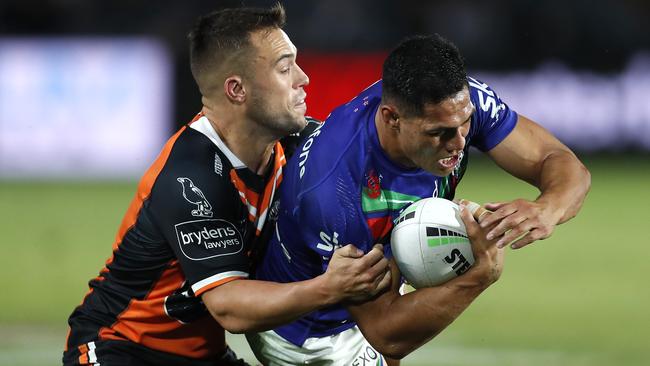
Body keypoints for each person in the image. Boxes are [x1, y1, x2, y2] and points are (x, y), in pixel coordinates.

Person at [62, 4, 391, 366]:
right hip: (119, 349)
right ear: (237, 89)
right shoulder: (191, 176)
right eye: (284, 67)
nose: (303, 78)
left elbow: (370, 147)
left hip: (206, 356)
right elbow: (229, 308)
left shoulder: (296, 145)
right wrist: (331, 287)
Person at [247, 34, 591, 365]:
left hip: (375, 278)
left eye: (466, 123)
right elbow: (385, 332)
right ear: (392, 119)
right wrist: (482, 272)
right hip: (311, 333)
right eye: (438, 133)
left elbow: (557, 160)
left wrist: (548, 208)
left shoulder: (454, 106)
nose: (458, 142)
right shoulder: (335, 193)